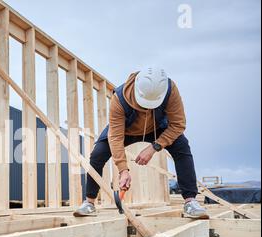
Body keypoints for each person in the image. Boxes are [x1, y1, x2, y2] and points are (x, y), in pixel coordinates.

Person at [74, 67, 208, 219]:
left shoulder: (169, 91)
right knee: (98, 155)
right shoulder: (119, 98)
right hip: (126, 131)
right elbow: (116, 137)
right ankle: (89, 203)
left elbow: (178, 125)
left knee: (182, 147)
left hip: (157, 128)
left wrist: (154, 147)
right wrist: (123, 170)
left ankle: (190, 202)